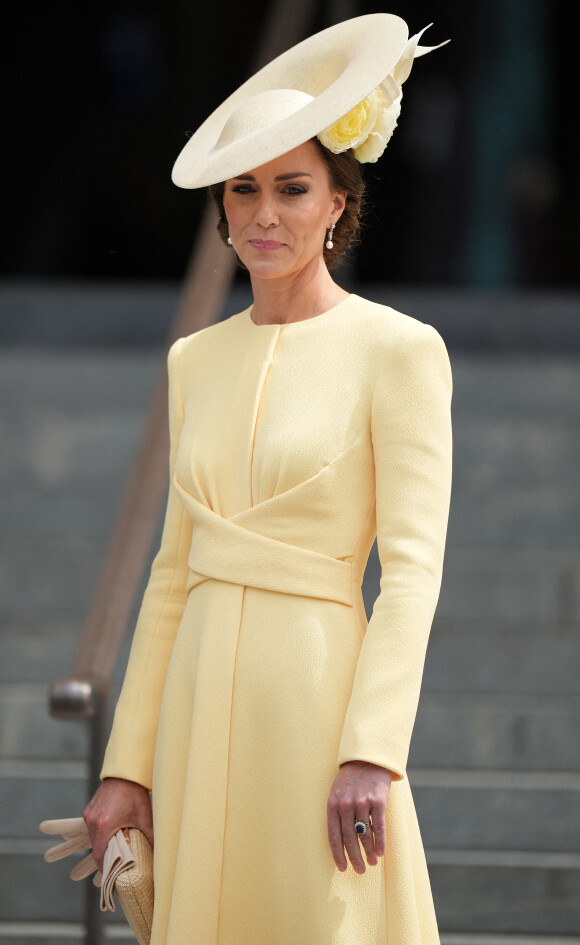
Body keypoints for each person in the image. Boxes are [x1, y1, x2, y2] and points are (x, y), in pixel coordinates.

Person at [83, 13, 452, 945]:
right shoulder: (193, 359)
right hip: (199, 705)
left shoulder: (399, 351)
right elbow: (172, 572)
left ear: (338, 202)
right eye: (243, 190)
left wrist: (373, 750)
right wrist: (127, 765)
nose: (262, 214)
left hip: (317, 704)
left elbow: (411, 572)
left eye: (292, 188)